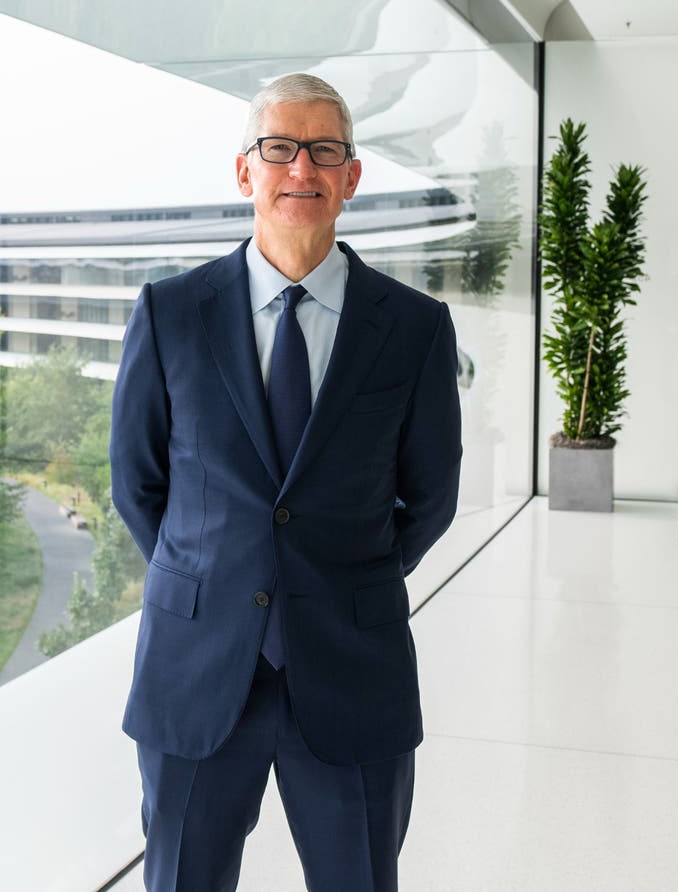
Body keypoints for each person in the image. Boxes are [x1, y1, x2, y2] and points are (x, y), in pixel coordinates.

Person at [110, 73, 461, 891]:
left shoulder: (412, 327)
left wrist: (342, 577)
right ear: (246, 173)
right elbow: (138, 484)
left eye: (324, 151)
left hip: (352, 664)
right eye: (280, 149)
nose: (301, 168)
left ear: (350, 177)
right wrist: (217, 577)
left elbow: (431, 496)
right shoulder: (170, 312)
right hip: (196, 671)